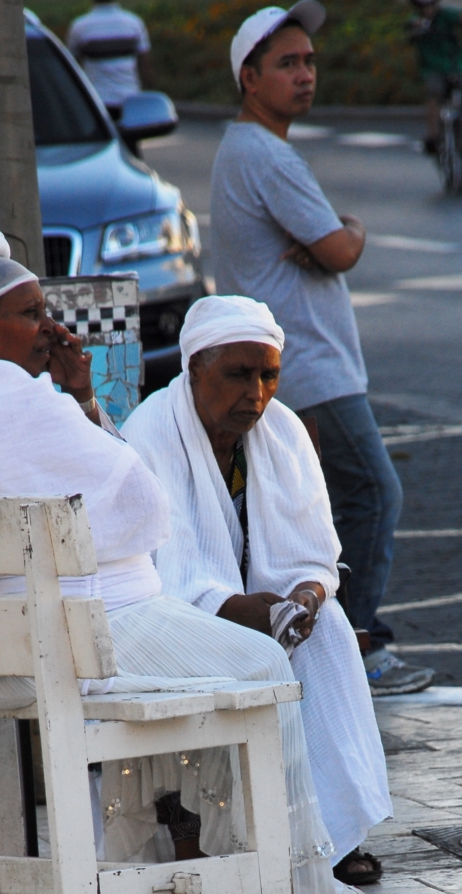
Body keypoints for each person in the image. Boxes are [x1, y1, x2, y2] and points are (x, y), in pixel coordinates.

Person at [0, 226, 368, 894]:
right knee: (263, 666)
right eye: (29, 313)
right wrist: (76, 402)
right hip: (71, 639)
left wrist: (78, 393)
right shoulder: (21, 403)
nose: (46, 326)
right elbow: (145, 508)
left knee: (209, 659)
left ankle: (206, 874)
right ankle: (290, 882)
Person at [123, 294, 393, 892]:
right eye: (238, 375)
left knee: (331, 638)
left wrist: (306, 598)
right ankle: (230, 840)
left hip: (265, 608)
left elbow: (316, 552)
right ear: (195, 369)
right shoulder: (148, 434)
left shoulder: (283, 430)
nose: (257, 393)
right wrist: (236, 610)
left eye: (269, 375)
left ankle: (335, 837)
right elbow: (161, 571)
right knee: (258, 656)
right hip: (172, 618)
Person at [209, 2, 435, 696]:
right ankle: (361, 644)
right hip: (308, 363)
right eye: (286, 63)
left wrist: (329, 238)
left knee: (314, 508)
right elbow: (339, 250)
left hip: (297, 362)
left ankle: (321, 642)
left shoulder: (248, 149)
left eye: (308, 60)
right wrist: (352, 226)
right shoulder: (264, 154)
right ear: (249, 78)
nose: (304, 74)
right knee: (372, 491)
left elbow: (323, 249)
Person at [67, 0, 153, 118]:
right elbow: (145, 63)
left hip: (95, 102)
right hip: (130, 101)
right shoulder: (134, 23)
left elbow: (72, 65)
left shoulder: (79, 26)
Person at [408, 0, 462, 153]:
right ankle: (433, 137)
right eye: (424, 7)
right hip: (433, 68)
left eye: (430, 6)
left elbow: (458, 17)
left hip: (455, 66)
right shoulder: (416, 20)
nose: (428, 10)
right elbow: (412, 27)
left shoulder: (445, 16)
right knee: (434, 94)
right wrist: (416, 29)